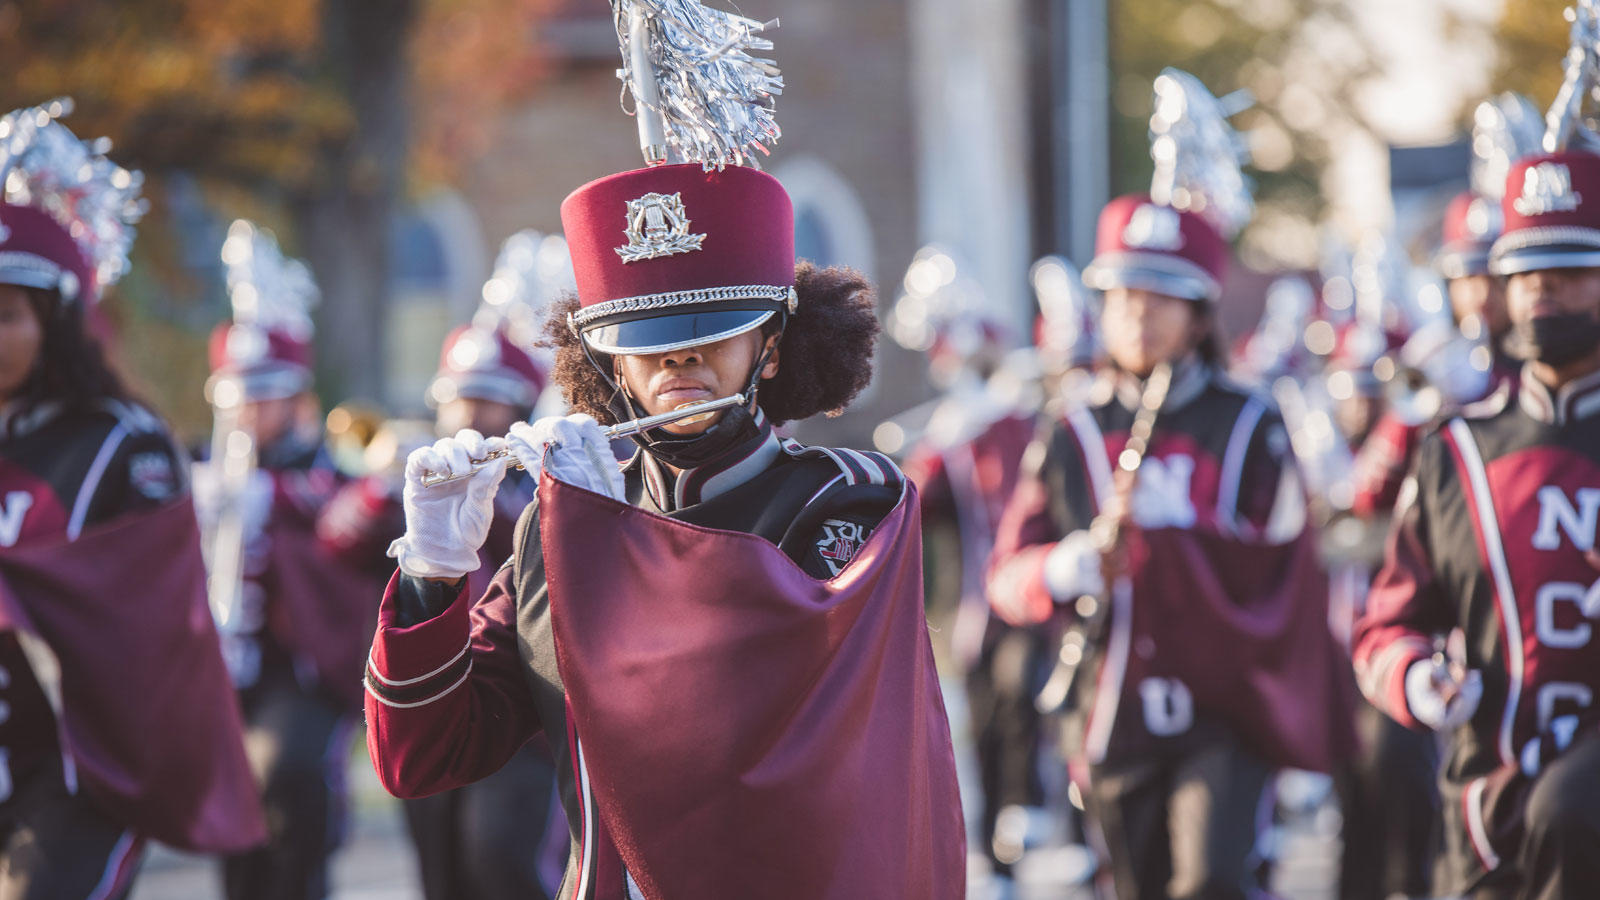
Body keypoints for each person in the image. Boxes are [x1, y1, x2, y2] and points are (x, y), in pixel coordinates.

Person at [365, 5, 964, 897]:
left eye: (713, 332)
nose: (678, 356)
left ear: (769, 342)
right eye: (643, 339)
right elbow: (427, 753)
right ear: (602, 356)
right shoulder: (560, 524)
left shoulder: (852, 503)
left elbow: (732, 724)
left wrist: (606, 540)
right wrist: (432, 573)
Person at [988, 188, 1354, 899]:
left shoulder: (1252, 424)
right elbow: (1007, 576)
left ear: (1199, 315)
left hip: (1225, 710)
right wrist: (1072, 564)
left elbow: (1285, 573)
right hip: (1107, 712)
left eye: (1161, 296)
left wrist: (1181, 550)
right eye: (1122, 295)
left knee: (1213, 880)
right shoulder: (1070, 431)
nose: (1137, 314)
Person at [0, 102, 262, 899]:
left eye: (6, 314)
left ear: (63, 321)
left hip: (83, 771)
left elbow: (143, 626)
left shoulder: (125, 444)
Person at [1353, 143, 1600, 899]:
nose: (1540, 296)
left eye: (1567, 273)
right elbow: (1384, 627)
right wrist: (1420, 680)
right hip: (1484, 814)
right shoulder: (1455, 453)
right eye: (1523, 274)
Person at [321, 232, 571, 900]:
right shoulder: (422, 469)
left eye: (487, 398)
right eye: (458, 397)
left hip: (515, 703)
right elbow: (337, 539)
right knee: (441, 874)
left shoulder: (537, 474)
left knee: (504, 862)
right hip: (429, 690)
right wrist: (384, 483)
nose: (469, 413)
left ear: (519, 405)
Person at [194, 221, 378, 900]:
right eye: (241, 391)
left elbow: (348, 523)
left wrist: (266, 497)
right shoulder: (205, 468)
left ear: (297, 395)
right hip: (221, 664)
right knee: (233, 815)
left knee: (287, 784)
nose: (251, 406)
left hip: (300, 669)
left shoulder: (325, 468)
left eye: (268, 391)